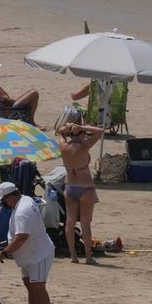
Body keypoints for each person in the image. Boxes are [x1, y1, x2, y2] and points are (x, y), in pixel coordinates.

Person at [0, 182, 57, 304]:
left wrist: (3, 253)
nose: (4, 204)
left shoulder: (22, 211)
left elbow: (21, 237)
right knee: (29, 285)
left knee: (38, 287)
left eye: (4, 200)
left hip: (38, 254)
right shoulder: (25, 199)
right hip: (29, 255)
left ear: (11, 196)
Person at [55, 112, 105, 264]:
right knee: (85, 223)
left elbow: (59, 131)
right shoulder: (84, 146)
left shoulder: (64, 146)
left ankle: (73, 256)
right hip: (86, 187)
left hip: (70, 187)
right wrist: (80, 126)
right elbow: (100, 131)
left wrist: (69, 128)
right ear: (82, 134)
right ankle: (89, 257)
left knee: (70, 222)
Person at [0, 57, 40, 125]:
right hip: (6, 109)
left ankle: (31, 121)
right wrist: (15, 100)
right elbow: (6, 101)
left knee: (30, 90)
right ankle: (31, 122)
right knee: (34, 93)